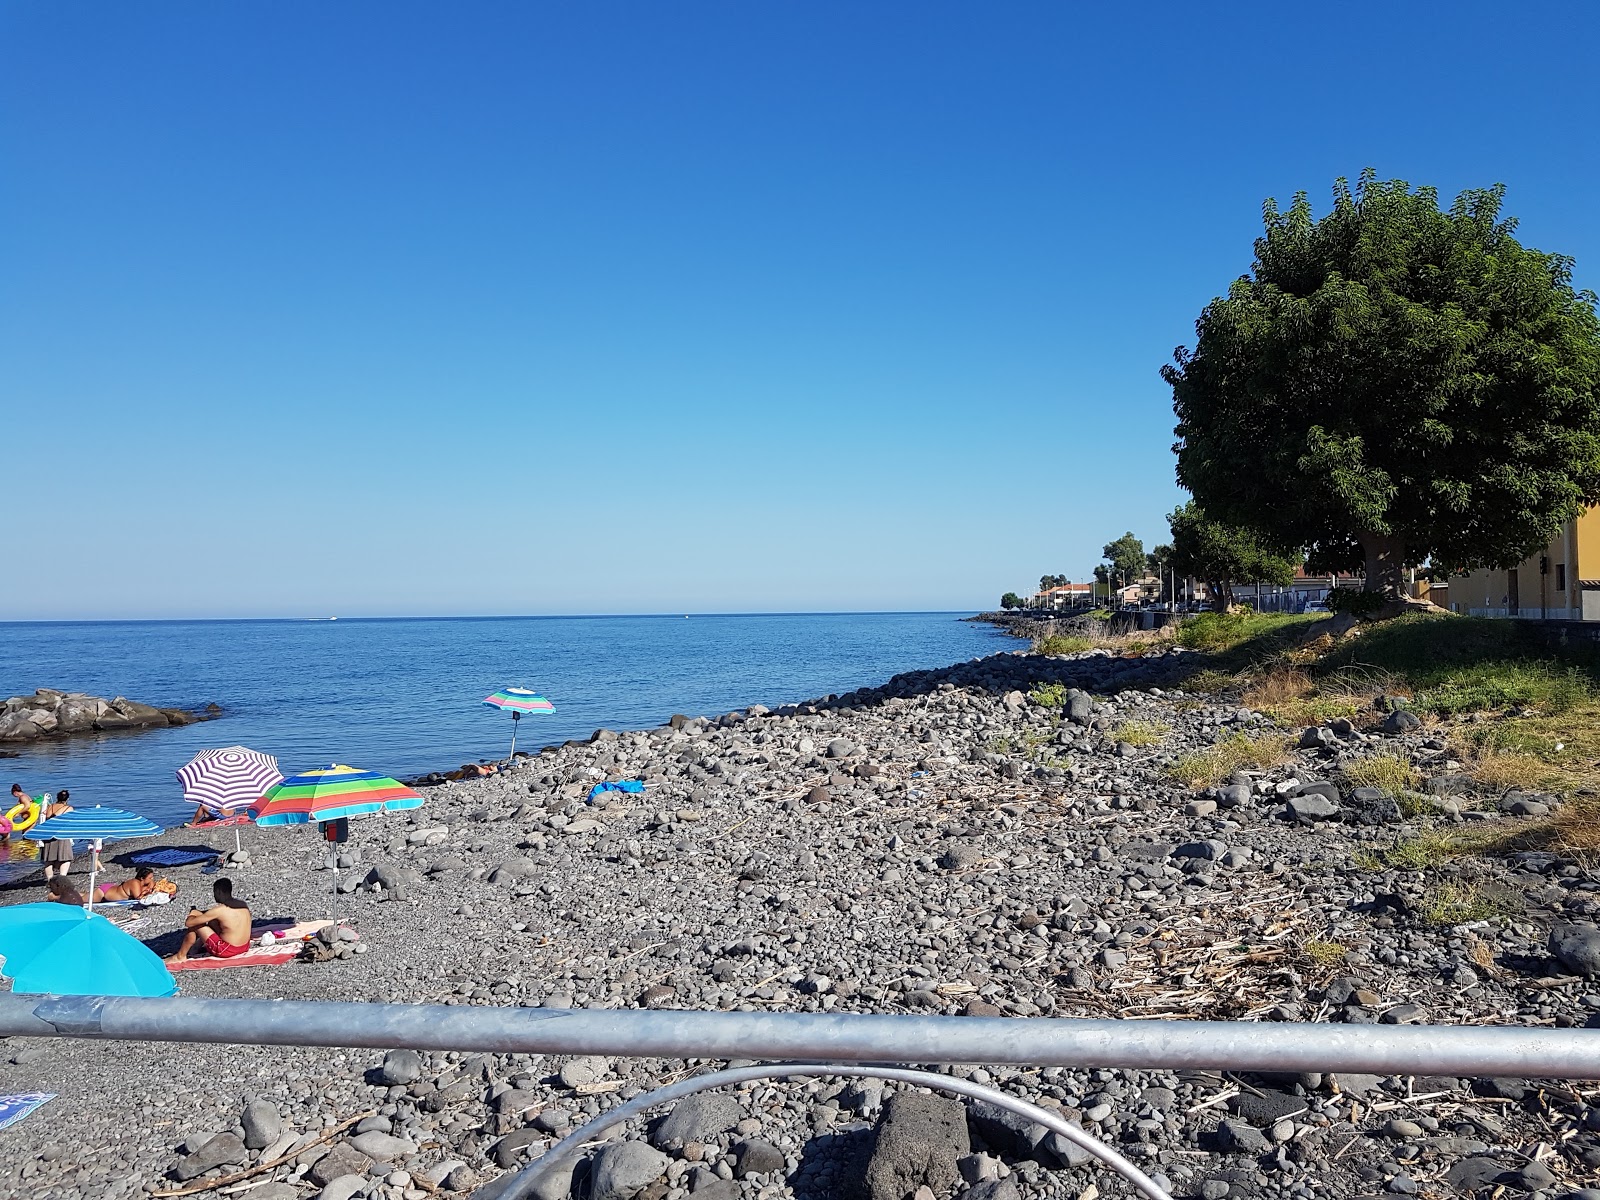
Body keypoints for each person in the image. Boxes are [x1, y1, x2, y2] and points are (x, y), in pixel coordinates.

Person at [166, 877, 252, 962]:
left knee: (196, 925)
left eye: (215, 892)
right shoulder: (242, 904)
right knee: (213, 921)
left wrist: (192, 914)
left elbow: (189, 923)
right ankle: (195, 949)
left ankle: (180, 956)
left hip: (227, 950)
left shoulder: (219, 910)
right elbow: (213, 915)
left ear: (219, 892)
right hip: (244, 947)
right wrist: (199, 913)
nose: (214, 895)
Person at [41, 790, 72, 880]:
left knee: (49, 859)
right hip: (61, 835)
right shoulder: (69, 808)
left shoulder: (50, 807)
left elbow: (46, 819)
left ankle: (50, 879)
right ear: (68, 799)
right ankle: (62, 878)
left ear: (57, 798)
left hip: (48, 834)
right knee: (65, 857)